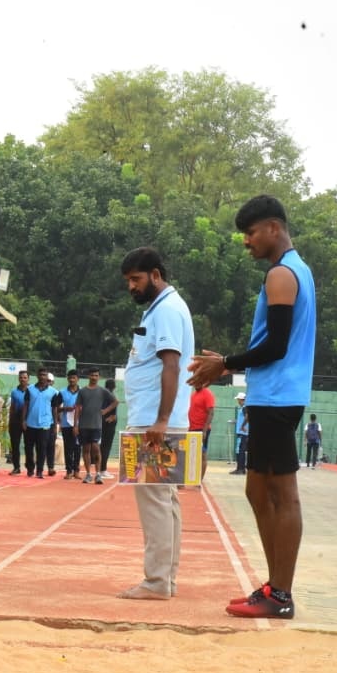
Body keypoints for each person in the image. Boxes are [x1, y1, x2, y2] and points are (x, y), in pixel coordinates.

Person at [188, 195, 317, 620]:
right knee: (257, 489)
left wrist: (224, 363)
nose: (247, 242)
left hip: (278, 397)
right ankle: (274, 585)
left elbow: (276, 345)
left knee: (282, 493)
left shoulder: (282, 275)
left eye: (251, 233)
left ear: (274, 228)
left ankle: (281, 594)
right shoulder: (295, 271)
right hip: (271, 397)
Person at [115, 248, 195, 602]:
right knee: (165, 499)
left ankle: (157, 581)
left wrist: (161, 420)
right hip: (156, 417)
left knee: (155, 502)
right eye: (128, 281)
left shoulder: (165, 311)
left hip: (154, 421)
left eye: (136, 279)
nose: (131, 287)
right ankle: (167, 579)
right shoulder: (163, 308)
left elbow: (171, 365)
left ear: (156, 275)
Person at [74, 368, 108, 484]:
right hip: (83, 426)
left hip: (97, 425)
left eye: (96, 375)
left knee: (96, 449)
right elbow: (77, 408)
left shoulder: (102, 391)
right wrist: (75, 425)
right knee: (86, 450)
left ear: (99, 377)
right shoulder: (82, 391)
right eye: (92, 375)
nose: (94, 377)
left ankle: (98, 474)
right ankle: (88, 474)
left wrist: (105, 411)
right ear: (89, 376)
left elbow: (115, 401)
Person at [23, 368, 55, 478]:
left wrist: (54, 424)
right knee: (28, 448)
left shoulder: (53, 392)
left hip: (45, 424)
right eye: (40, 374)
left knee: (42, 449)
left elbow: (54, 408)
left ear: (47, 377)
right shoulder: (30, 389)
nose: (42, 377)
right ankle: (30, 468)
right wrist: (23, 420)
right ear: (37, 375)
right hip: (30, 423)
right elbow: (26, 405)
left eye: (44, 375)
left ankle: (39, 471)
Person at [52, 370, 82, 479]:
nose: (72, 380)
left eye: (74, 378)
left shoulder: (82, 392)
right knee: (68, 448)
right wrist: (65, 408)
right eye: (70, 378)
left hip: (79, 424)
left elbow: (86, 407)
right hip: (66, 424)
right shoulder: (62, 392)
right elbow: (56, 408)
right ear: (67, 379)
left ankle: (77, 471)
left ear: (78, 379)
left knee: (77, 447)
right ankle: (69, 471)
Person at [188, 384, 216, 479]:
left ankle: (200, 480)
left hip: (201, 429)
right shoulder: (193, 395)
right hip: (191, 429)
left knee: (202, 454)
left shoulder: (207, 394)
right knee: (190, 454)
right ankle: (191, 478)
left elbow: (211, 412)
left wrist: (204, 431)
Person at [7, 370, 31, 475]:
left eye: (25, 377)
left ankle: (30, 467)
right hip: (15, 420)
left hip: (28, 419)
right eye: (21, 377)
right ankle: (16, 467)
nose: (23, 379)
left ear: (28, 379)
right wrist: (10, 421)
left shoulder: (31, 391)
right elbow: (12, 407)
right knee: (15, 445)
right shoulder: (14, 392)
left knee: (28, 445)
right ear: (18, 378)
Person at [99, 378, 119, 478]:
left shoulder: (102, 394)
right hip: (108, 423)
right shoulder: (110, 395)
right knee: (105, 447)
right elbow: (115, 404)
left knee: (102, 446)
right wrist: (108, 414)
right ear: (114, 386)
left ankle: (101, 469)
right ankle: (102, 470)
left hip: (102, 422)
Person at [231, 393, 248, 474]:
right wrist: (236, 421)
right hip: (242, 433)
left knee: (240, 451)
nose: (238, 401)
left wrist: (242, 426)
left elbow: (247, 417)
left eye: (238, 399)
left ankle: (241, 469)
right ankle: (239, 468)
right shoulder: (243, 408)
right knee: (239, 451)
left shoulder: (245, 408)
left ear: (242, 400)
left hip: (243, 433)